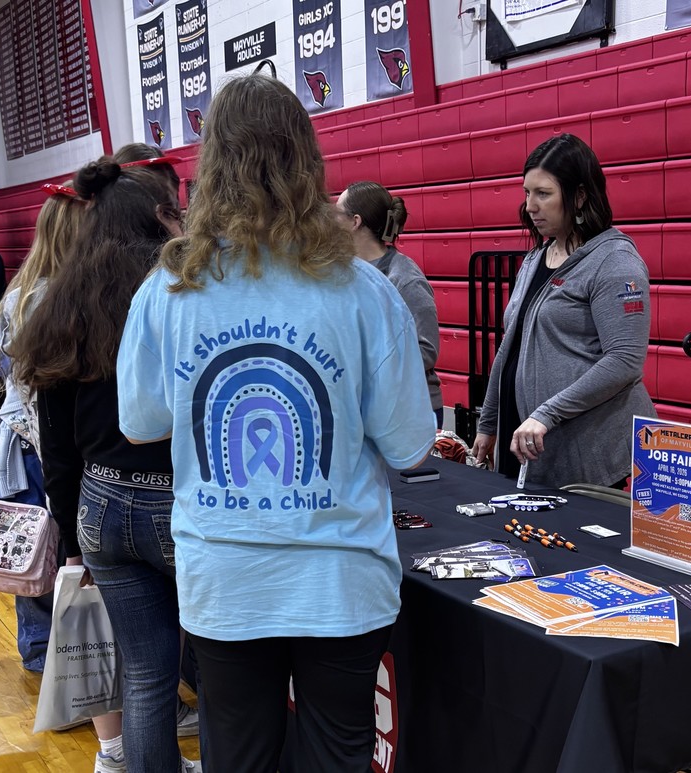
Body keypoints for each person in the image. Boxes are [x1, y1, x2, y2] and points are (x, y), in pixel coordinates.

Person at [115, 74, 435, 773]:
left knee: (238, 757)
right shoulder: (366, 291)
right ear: (308, 163)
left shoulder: (169, 288)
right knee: (337, 753)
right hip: (341, 577)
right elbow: (411, 444)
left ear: (212, 164)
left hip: (227, 575)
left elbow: (139, 422)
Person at [12, 160, 196, 773]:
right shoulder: (181, 288)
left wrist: (67, 533)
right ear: (160, 214)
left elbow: (56, 444)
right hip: (178, 500)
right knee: (215, 670)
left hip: (101, 503)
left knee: (145, 674)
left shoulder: (65, 296)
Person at [471, 133, 654, 489]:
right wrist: (489, 421)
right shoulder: (535, 258)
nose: (530, 206)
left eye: (543, 194)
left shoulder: (615, 261)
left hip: (591, 453)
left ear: (580, 196)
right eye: (527, 193)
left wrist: (547, 413)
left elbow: (624, 360)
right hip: (528, 439)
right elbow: (510, 347)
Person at [336, 181, 443, 424]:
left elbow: (426, 351)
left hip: (409, 412)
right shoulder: (343, 273)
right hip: (365, 407)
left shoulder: (404, 279)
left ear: (355, 221)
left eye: (337, 213)